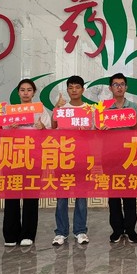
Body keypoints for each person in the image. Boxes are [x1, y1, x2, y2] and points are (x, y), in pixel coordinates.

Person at [2, 79, 51, 248]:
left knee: (31, 196)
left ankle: (28, 234)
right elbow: (2, 131)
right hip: (13, 157)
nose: (25, 93)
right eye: (22, 90)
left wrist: (42, 127)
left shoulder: (40, 109)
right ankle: (10, 234)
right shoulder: (10, 110)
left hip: (33, 158)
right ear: (18, 92)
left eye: (29, 90)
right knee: (12, 195)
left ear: (34, 92)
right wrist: (10, 126)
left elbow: (50, 131)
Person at [51, 75, 90, 246]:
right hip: (63, 157)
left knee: (81, 196)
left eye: (77, 87)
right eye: (71, 87)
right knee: (62, 196)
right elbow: (53, 127)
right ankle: (61, 232)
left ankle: (80, 231)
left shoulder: (89, 110)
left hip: (82, 158)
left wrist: (86, 133)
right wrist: (56, 107)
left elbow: (96, 133)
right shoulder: (62, 108)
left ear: (83, 90)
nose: (74, 90)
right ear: (67, 90)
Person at [106, 73, 137, 244]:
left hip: (129, 156)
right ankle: (117, 230)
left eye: (122, 84)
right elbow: (98, 129)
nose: (119, 87)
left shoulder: (133, 106)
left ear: (126, 87)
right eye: (115, 84)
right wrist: (101, 127)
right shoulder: (104, 108)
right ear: (110, 88)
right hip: (110, 156)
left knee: (130, 194)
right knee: (113, 195)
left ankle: (130, 229)